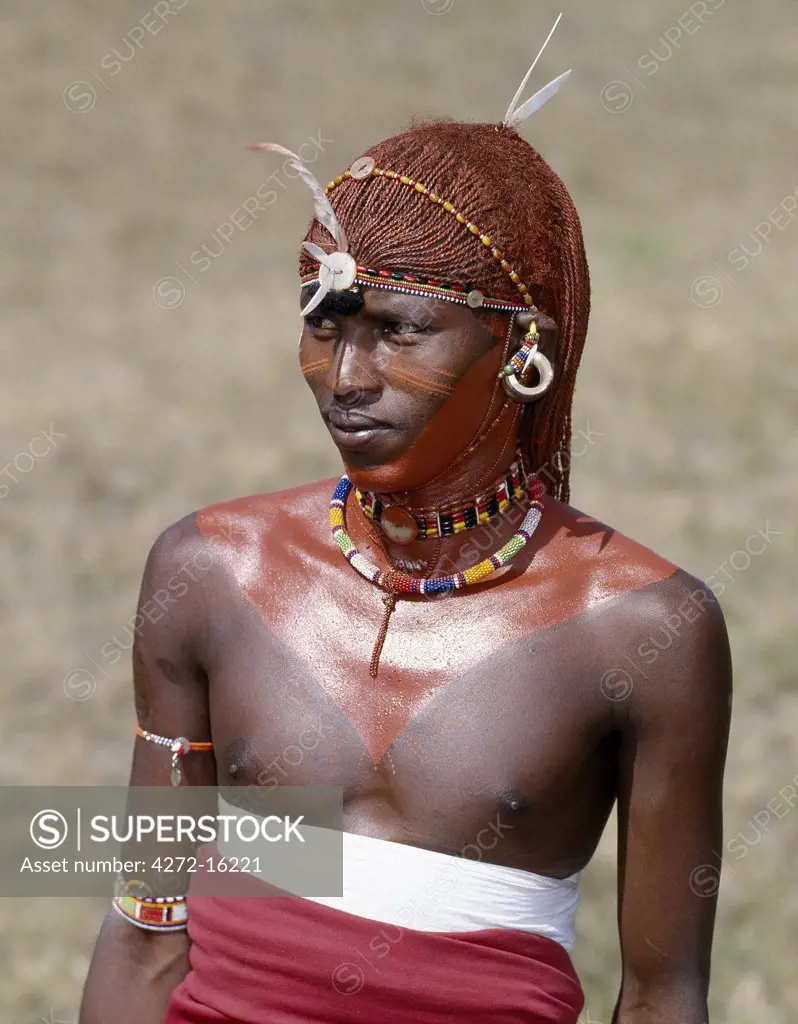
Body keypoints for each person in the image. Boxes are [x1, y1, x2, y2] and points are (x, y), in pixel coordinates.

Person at [79, 53, 732, 1024]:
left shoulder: (644, 629)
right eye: (325, 324)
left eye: (397, 329)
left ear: (519, 349)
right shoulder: (210, 572)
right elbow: (145, 928)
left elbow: (662, 993)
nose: (346, 374)